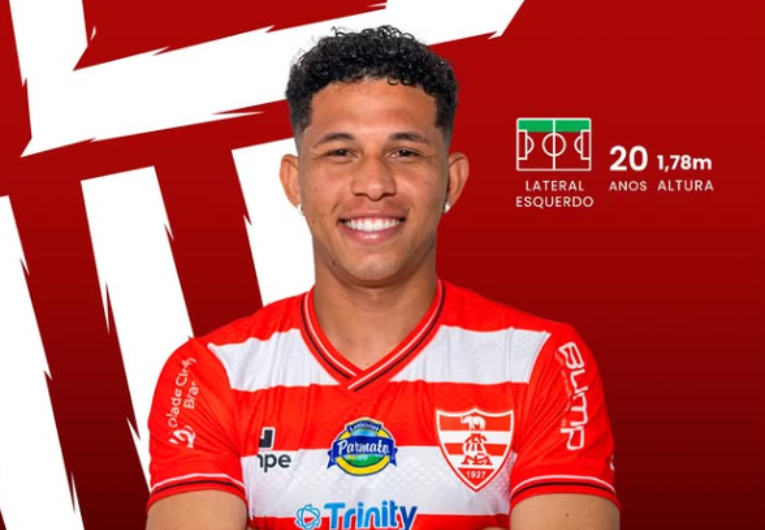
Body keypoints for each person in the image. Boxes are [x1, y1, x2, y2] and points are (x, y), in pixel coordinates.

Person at [145, 26, 619, 530]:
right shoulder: (210, 373)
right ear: (294, 181)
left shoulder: (543, 360)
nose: (373, 184)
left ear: (452, 181)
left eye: (404, 152)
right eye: (340, 153)